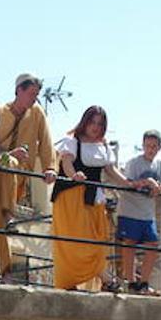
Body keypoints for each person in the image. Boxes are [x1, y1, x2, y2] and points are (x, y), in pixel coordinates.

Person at [52, 106, 131, 292]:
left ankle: (102, 278)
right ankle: (102, 278)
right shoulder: (72, 142)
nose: (95, 127)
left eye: (100, 123)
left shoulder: (103, 146)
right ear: (85, 122)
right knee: (76, 241)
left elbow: (111, 171)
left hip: (93, 198)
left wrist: (130, 183)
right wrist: (74, 175)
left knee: (97, 238)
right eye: (92, 122)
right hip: (71, 197)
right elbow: (67, 163)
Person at [0, 73, 57, 282]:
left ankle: (10, 213)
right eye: (31, 94)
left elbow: (46, 142)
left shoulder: (37, 113)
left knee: (1, 219)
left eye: (37, 95)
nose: (34, 99)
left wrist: (50, 167)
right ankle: (6, 271)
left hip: (19, 176)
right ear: (19, 90)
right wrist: (9, 155)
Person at [116, 130, 161, 293]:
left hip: (147, 213)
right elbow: (128, 183)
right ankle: (131, 282)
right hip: (130, 209)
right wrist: (147, 182)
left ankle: (144, 282)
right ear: (143, 145)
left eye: (153, 146)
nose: (150, 150)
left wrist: (159, 187)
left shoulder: (160, 165)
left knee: (153, 244)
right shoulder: (133, 163)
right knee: (129, 243)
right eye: (147, 146)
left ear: (159, 147)